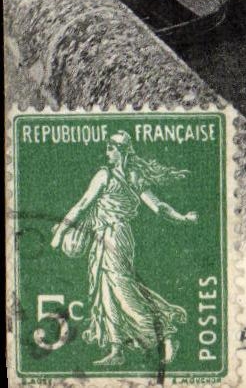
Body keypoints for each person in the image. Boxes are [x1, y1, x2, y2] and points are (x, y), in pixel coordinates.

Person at [50, 131, 197, 367]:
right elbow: (157, 207)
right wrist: (183, 218)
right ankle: (116, 349)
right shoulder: (127, 176)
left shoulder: (109, 176)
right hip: (105, 236)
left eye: (110, 148)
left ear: (120, 151)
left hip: (115, 236)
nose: (107, 152)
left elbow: (83, 205)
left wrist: (59, 234)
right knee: (105, 290)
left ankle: (165, 336)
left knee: (122, 290)